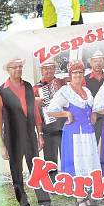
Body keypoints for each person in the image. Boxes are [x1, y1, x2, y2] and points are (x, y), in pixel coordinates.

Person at [0, 58, 52, 206]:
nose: (18, 70)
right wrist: (2, 146)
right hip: (12, 138)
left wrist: (40, 133)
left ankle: (44, 200)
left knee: (36, 167)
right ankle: (23, 203)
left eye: (20, 67)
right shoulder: (1, 91)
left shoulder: (27, 86)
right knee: (16, 172)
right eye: (14, 67)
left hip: (29, 134)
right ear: (8, 69)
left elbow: (34, 112)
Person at [46, 60, 101, 206]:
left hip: (88, 132)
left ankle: (88, 192)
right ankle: (79, 197)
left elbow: (93, 107)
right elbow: (51, 110)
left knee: (88, 162)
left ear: (83, 74)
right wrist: (66, 114)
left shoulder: (87, 91)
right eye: (75, 72)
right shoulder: (65, 90)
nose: (78, 75)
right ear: (70, 74)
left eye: (80, 72)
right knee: (77, 163)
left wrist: (94, 114)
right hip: (74, 134)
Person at [34, 58, 66, 187]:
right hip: (48, 126)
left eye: (51, 68)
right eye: (45, 68)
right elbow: (32, 110)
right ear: (41, 71)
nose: (48, 71)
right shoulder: (36, 88)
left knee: (65, 153)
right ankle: (52, 182)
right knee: (50, 156)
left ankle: (66, 180)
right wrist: (35, 101)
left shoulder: (62, 83)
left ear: (54, 69)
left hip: (63, 124)